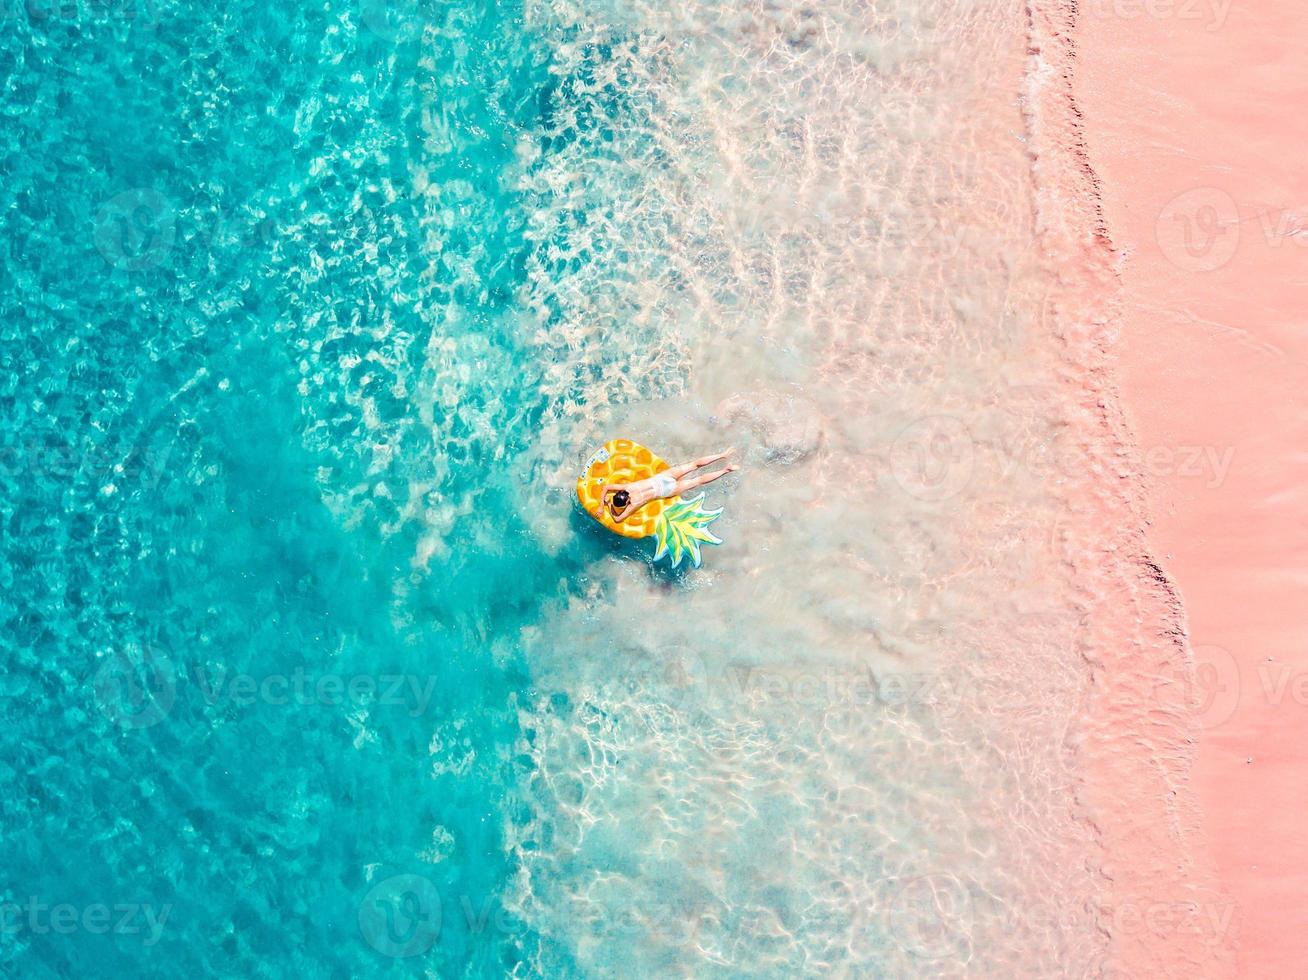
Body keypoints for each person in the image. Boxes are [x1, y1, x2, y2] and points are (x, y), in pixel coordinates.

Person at [602, 448, 738, 523]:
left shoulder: (633, 504)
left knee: (698, 480)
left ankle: (726, 470)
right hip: (662, 478)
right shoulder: (627, 488)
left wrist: (608, 506)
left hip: (666, 490)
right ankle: (723, 454)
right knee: (694, 464)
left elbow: (618, 519)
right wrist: (604, 501)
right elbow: (606, 488)